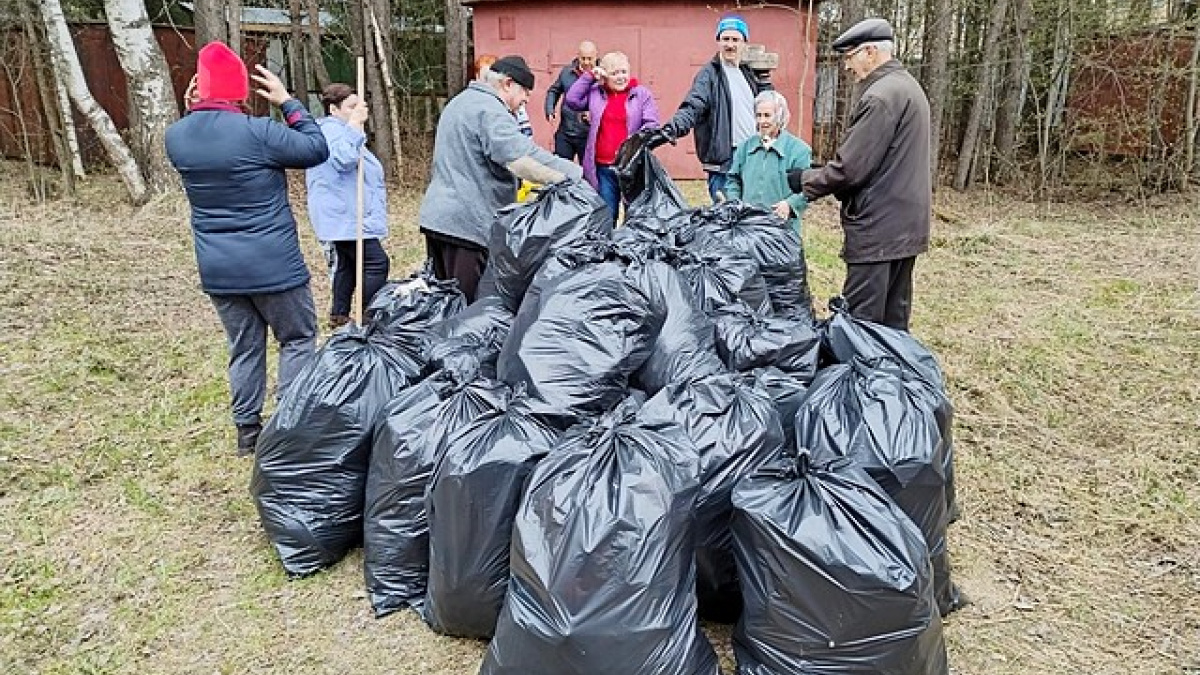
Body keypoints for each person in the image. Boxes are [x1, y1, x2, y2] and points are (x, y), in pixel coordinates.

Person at [165, 42, 330, 455]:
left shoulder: (176, 137)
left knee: (245, 346)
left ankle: (247, 434)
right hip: (273, 264)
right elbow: (315, 148)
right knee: (297, 338)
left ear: (199, 88)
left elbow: (205, 130)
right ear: (240, 89)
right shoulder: (259, 133)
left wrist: (197, 102)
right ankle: (289, 428)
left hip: (218, 268)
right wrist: (289, 102)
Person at [786, 18, 931, 332]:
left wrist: (804, 180)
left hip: (878, 227)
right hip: (904, 226)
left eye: (849, 58)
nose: (847, 67)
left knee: (861, 325)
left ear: (870, 52)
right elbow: (879, 158)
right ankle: (893, 377)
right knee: (893, 322)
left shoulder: (879, 97)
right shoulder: (908, 87)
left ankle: (863, 379)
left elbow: (851, 169)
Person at [419, 55, 582, 302]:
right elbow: (520, 158)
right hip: (467, 226)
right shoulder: (490, 110)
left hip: (439, 219)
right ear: (507, 84)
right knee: (468, 311)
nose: (527, 99)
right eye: (525, 91)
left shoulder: (461, 102)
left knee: (445, 303)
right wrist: (572, 174)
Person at [660, 15, 771, 203]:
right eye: (725, 39)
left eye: (735, 39)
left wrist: (765, 82)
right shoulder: (709, 75)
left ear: (744, 43)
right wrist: (673, 128)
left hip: (752, 154)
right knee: (726, 218)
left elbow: (769, 105)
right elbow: (693, 105)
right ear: (718, 41)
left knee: (751, 216)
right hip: (724, 161)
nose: (730, 45)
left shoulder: (749, 74)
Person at [305, 83, 390, 330]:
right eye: (350, 107)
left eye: (358, 106)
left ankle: (339, 314)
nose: (357, 112)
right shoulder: (333, 132)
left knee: (348, 263)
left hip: (344, 214)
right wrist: (354, 125)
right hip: (345, 215)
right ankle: (367, 317)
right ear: (333, 109)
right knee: (376, 263)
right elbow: (344, 159)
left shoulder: (341, 131)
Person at [565, 51, 659, 223]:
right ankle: (607, 248)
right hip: (603, 168)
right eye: (615, 73)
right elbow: (572, 100)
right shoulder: (595, 93)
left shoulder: (641, 94)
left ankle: (632, 248)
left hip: (632, 168)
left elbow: (652, 124)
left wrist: (634, 145)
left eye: (624, 72)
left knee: (635, 216)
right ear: (605, 75)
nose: (621, 77)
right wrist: (590, 76)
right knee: (607, 215)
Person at [726, 90, 812, 235]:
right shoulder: (744, 148)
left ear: (780, 117)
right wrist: (735, 203)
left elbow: (808, 189)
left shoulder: (799, 151)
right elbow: (733, 180)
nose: (762, 121)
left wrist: (790, 204)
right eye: (758, 115)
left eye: (767, 116)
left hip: (783, 230)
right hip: (748, 227)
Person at [545, 40, 598, 161]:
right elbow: (554, 90)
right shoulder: (566, 72)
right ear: (578, 56)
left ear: (596, 56)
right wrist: (549, 109)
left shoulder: (602, 76)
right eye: (583, 58)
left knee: (588, 174)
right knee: (561, 171)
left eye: (590, 58)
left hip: (589, 135)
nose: (586, 62)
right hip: (565, 131)